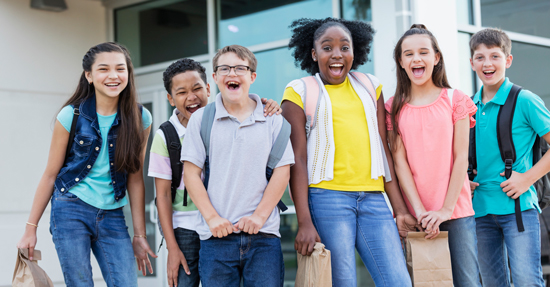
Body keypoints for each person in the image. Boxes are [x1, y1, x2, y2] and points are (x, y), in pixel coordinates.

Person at [282, 17, 415, 286]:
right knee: (343, 281)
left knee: (398, 281)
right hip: (328, 198)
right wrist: (304, 221)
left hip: (374, 200)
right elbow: (297, 160)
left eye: (345, 47)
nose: (336, 55)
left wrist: (399, 209)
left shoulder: (369, 85)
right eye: (327, 47)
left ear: (355, 52)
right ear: (314, 53)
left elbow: (383, 147)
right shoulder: (299, 91)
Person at [16, 42, 157, 286]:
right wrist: (31, 228)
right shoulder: (71, 115)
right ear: (89, 76)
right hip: (70, 209)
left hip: (112, 214)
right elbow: (51, 175)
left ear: (128, 74)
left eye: (120, 69)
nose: (113, 76)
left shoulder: (140, 118)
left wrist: (139, 234)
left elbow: (135, 178)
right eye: (104, 69)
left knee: (125, 282)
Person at [149, 58, 282, 287]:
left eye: (197, 88)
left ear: (209, 88)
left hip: (225, 225)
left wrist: (266, 105)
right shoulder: (166, 136)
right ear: (170, 99)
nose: (192, 97)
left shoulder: (226, 120)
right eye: (181, 92)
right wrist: (172, 246)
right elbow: (162, 195)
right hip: (187, 228)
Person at [181, 45, 294, 287]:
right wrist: (212, 219)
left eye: (240, 68)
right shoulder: (201, 119)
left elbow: (282, 172)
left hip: (264, 237)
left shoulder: (273, 119)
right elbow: (191, 174)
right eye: (224, 68)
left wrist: (259, 217)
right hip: (215, 238)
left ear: (252, 76)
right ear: (215, 77)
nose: (232, 74)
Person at [386, 24, 480, 286]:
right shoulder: (393, 107)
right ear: (401, 61)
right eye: (408, 54)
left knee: (467, 282)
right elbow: (399, 163)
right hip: (418, 217)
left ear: (436, 58)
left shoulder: (455, 99)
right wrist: (419, 212)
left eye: (424, 52)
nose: (416, 58)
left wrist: (445, 210)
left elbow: (461, 157)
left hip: (457, 212)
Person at [469, 28, 550, 287]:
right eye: (480, 57)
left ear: (508, 60)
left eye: (494, 56)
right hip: (479, 211)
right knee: (492, 283)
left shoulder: (525, 100)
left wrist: (527, 179)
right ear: (471, 63)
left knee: (527, 282)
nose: (487, 63)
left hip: (519, 209)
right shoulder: (468, 106)